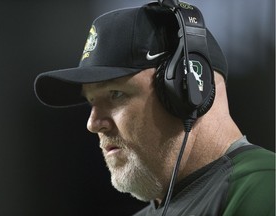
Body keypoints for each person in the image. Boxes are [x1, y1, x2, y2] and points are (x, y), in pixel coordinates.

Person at [34, 1, 275, 215]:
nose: (93, 123)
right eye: (91, 101)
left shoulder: (264, 189)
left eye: (116, 94)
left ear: (190, 88)